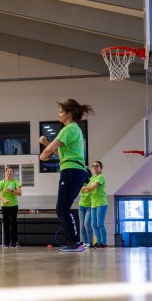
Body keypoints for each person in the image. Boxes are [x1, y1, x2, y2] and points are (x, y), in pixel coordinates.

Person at [40, 98, 94, 252]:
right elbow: (61, 153)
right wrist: (46, 144)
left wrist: (43, 155)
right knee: (62, 208)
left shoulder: (68, 129)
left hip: (72, 171)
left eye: (60, 112)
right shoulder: (74, 129)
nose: (58, 115)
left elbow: (49, 151)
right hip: (74, 171)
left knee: (62, 207)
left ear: (69, 113)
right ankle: (73, 242)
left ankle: (76, 242)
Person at [82, 161, 109, 248]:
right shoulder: (92, 178)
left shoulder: (101, 177)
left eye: (97, 166)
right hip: (93, 204)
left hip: (101, 203)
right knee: (93, 224)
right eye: (93, 166)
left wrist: (80, 187)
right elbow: (87, 190)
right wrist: (84, 187)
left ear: (101, 168)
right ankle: (98, 242)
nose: (95, 167)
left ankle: (103, 243)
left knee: (100, 224)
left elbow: (91, 188)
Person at [0, 165, 22, 247]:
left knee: (13, 223)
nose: (9, 172)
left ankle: (14, 243)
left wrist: (12, 190)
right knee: (6, 224)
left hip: (13, 205)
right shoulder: (2, 182)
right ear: (5, 173)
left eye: (11, 171)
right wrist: (3, 199)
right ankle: (6, 243)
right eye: (8, 171)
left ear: (13, 173)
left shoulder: (15, 182)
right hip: (4, 206)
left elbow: (20, 193)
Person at [78, 169, 93, 248]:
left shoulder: (92, 182)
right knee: (82, 226)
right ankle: (85, 242)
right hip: (81, 206)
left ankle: (90, 243)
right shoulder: (81, 182)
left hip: (89, 206)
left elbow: (90, 189)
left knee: (87, 224)